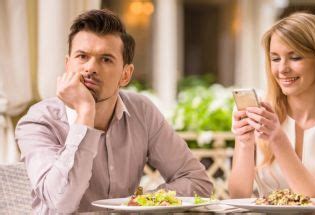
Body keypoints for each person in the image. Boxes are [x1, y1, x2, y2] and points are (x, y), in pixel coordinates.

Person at [15, 9, 212, 213]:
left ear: (125, 75)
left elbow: (197, 182)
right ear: (68, 65)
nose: (90, 68)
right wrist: (85, 113)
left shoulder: (142, 111)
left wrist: (141, 204)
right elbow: (60, 204)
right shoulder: (38, 121)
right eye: (82, 56)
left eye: (106, 59)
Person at [229, 12, 315, 202]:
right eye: (275, 59)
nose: (282, 69)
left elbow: (313, 198)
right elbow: (238, 196)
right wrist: (245, 142)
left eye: (295, 57)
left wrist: (277, 138)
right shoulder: (262, 111)